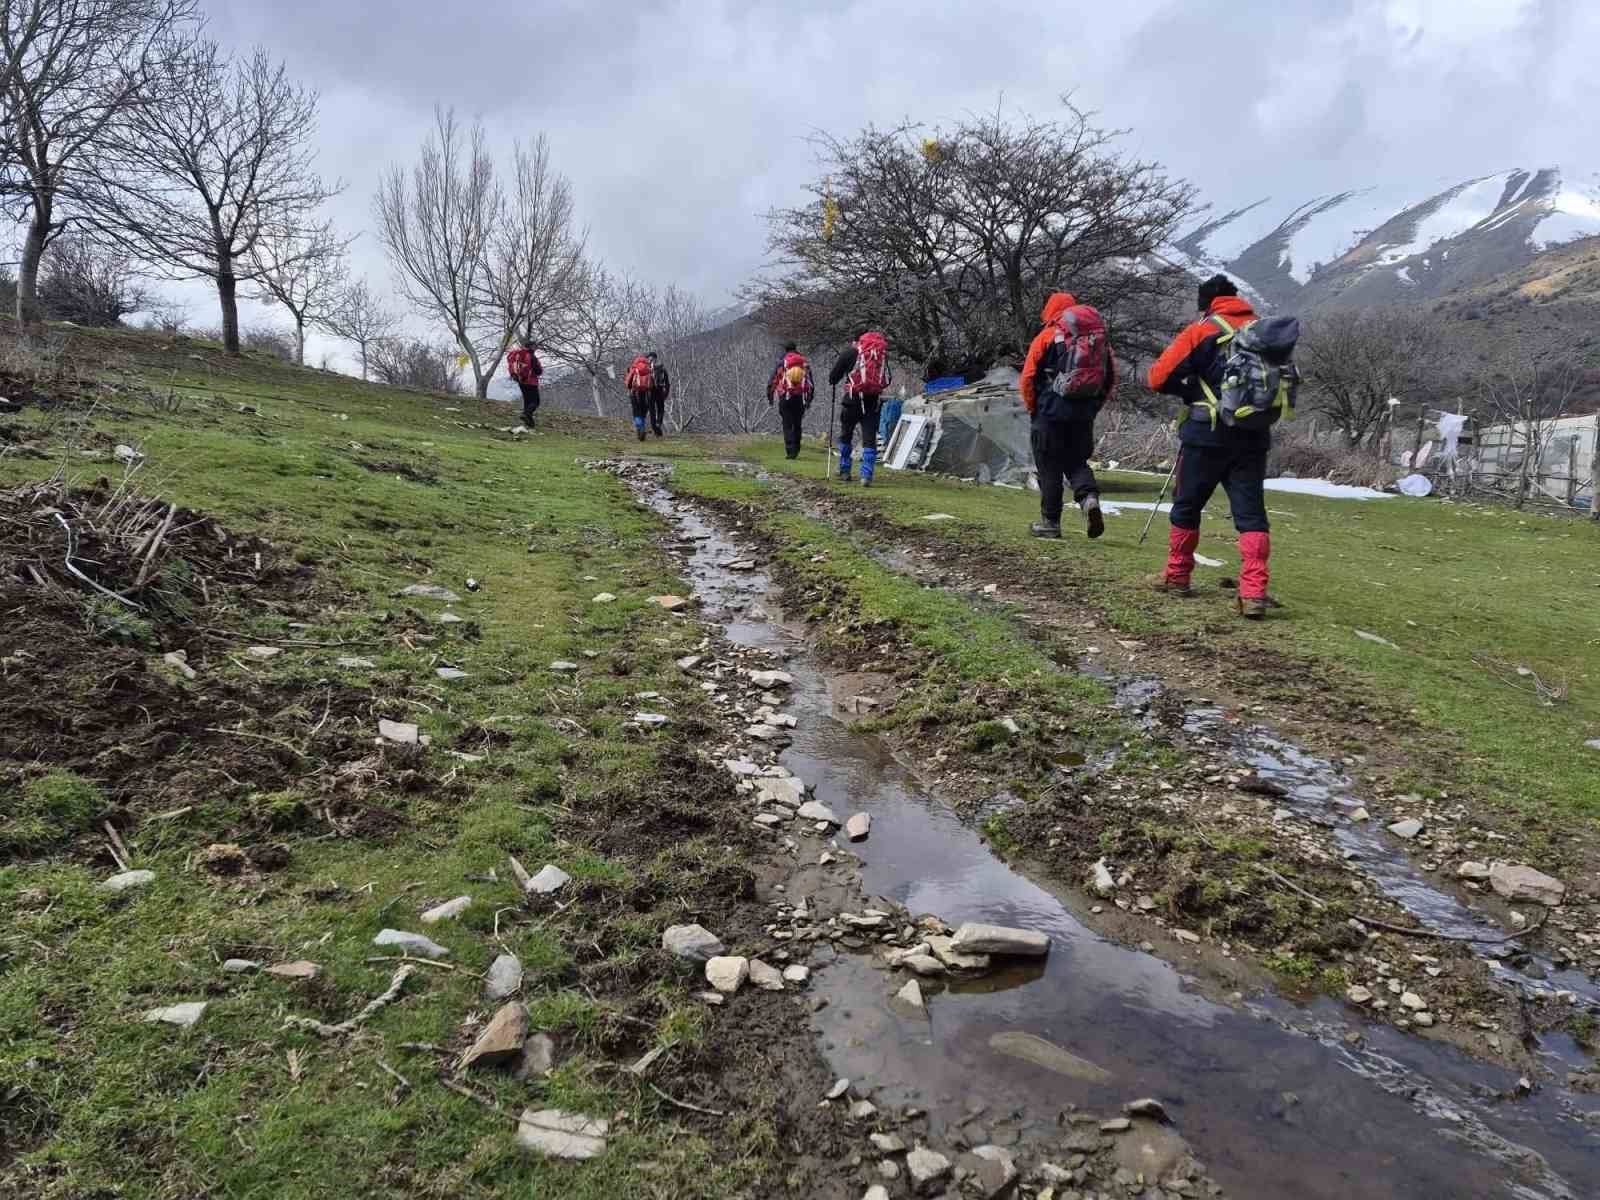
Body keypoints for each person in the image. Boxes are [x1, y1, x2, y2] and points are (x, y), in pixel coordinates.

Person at [1146, 274, 1273, 619]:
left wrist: (1188, 389)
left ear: (1206, 304)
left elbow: (1157, 377)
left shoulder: (1202, 330)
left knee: (1187, 505)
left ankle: (1177, 576)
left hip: (1205, 434)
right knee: (1251, 514)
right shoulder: (1264, 332)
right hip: (1253, 435)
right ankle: (1254, 592)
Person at [1018, 291, 1116, 540]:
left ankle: (1050, 523)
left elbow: (1028, 377)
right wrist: (1092, 408)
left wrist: (1033, 408)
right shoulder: (1098, 341)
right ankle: (1089, 499)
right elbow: (1109, 379)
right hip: (1083, 414)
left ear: (1050, 311)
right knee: (1076, 462)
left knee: (1049, 466)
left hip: (1049, 412)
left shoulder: (1047, 336)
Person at [827, 329, 892, 486]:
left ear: (855, 341)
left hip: (853, 400)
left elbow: (833, 377)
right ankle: (866, 475)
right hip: (873, 401)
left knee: (846, 434)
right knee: (869, 438)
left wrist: (838, 379)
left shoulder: (850, 353)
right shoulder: (879, 354)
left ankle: (844, 470)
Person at [767, 342, 814, 459]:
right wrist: (809, 400)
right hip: (800, 398)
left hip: (785, 397)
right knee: (797, 424)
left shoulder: (782, 363)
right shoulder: (804, 363)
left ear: (786, 350)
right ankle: (796, 449)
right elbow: (811, 384)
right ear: (796, 349)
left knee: (787, 424)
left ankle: (790, 450)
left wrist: (770, 398)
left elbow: (772, 381)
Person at [506, 338, 543, 429]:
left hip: (521, 381)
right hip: (531, 382)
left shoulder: (517, 355)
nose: (536, 348)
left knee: (527, 401)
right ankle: (525, 414)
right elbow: (538, 371)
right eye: (535, 346)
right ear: (531, 347)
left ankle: (529, 423)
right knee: (535, 402)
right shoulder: (531, 356)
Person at [624, 352, 655, 441]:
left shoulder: (634, 368)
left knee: (636, 412)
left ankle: (640, 428)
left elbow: (628, 382)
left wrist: (629, 387)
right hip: (646, 394)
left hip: (635, 393)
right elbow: (653, 382)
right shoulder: (649, 369)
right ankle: (642, 429)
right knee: (643, 412)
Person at [647, 351, 671, 438]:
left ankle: (654, 426)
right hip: (660, 390)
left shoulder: (646, 368)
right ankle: (658, 423)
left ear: (649, 358)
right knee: (660, 408)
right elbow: (667, 383)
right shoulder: (661, 367)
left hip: (650, 391)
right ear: (656, 358)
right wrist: (666, 394)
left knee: (652, 410)